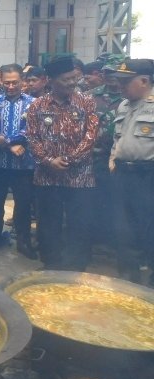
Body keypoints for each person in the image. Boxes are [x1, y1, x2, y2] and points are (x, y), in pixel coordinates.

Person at [28, 56, 98, 271]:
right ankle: (52, 264)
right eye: (65, 79)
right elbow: (32, 137)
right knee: (48, 223)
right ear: (51, 80)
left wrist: (70, 159)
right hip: (48, 175)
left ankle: (76, 265)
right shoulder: (37, 105)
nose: (70, 83)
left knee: (79, 222)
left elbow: (91, 134)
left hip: (80, 175)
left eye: (73, 78)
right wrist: (49, 161)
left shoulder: (86, 101)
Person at [109, 59, 154, 285]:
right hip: (123, 176)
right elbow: (118, 138)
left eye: (126, 81)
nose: (120, 86)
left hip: (147, 177)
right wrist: (112, 157)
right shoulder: (124, 106)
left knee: (149, 229)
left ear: (144, 81)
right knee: (123, 229)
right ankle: (128, 279)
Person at [0, 64, 37, 259]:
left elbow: (33, 129)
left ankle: (24, 242)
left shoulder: (33, 104)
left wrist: (10, 141)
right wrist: (9, 145)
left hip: (23, 164)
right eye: (7, 83)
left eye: (15, 82)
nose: (11, 86)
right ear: (0, 80)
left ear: (22, 81)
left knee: (23, 205)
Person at [88, 60, 124, 248]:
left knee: (116, 202)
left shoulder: (130, 97)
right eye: (107, 73)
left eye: (115, 73)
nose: (111, 78)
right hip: (93, 158)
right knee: (93, 201)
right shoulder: (91, 96)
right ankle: (96, 239)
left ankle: (113, 241)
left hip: (118, 160)